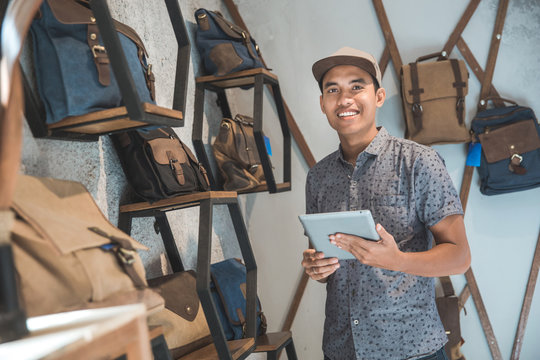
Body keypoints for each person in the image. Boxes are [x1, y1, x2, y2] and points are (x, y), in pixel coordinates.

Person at [301, 47, 471, 360]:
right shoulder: (318, 177)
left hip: (413, 349)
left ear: (378, 96)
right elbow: (326, 258)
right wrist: (317, 267)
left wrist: (398, 260)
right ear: (323, 103)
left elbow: (460, 256)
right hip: (341, 349)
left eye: (357, 86)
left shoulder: (419, 162)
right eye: (333, 90)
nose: (345, 99)